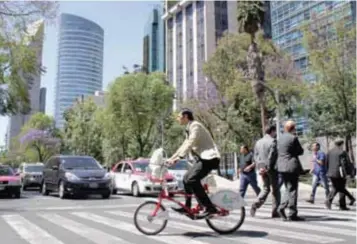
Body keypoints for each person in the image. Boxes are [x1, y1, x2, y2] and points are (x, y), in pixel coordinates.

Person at [167, 108, 221, 218]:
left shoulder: (195, 126)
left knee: (192, 179)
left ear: (186, 116)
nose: (178, 119)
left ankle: (210, 208)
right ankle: (187, 207)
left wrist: (179, 158)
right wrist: (171, 158)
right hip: (203, 159)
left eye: (179, 116)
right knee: (186, 179)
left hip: (210, 158)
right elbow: (184, 145)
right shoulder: (189, 128)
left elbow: (190, 143)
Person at [276, 120, 304, 221]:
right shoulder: (293, 138)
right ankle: (292, 213)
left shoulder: (280, 138)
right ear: (293, 128)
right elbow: (300, 151)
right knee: (292, 190)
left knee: (288, 189)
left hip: (282, 166)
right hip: (291, 166)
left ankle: (282, 207)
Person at [250, 124, 280, 218]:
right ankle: (275, 211)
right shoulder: (273, 141)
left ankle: (255, 204)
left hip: (262, 169)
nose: (275, 133)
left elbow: (256, 156)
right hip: (271, 169)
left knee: (266, 188)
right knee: (275, 190)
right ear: (272, 131)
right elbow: (271, 157)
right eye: (275, 131)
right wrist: (267, 167)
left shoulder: (258, 142)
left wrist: (261, 167)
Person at [325, 139, 356, 210]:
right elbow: (345, 164)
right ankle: (341, 204)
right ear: (342, 144)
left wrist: (328, 171)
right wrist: (348, 173)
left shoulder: (330, 152)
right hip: (340, 173)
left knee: (336, 187)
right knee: (340, 187)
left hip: (331, 172)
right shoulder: (342, 152)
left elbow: (326, 162)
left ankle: (342, 204)